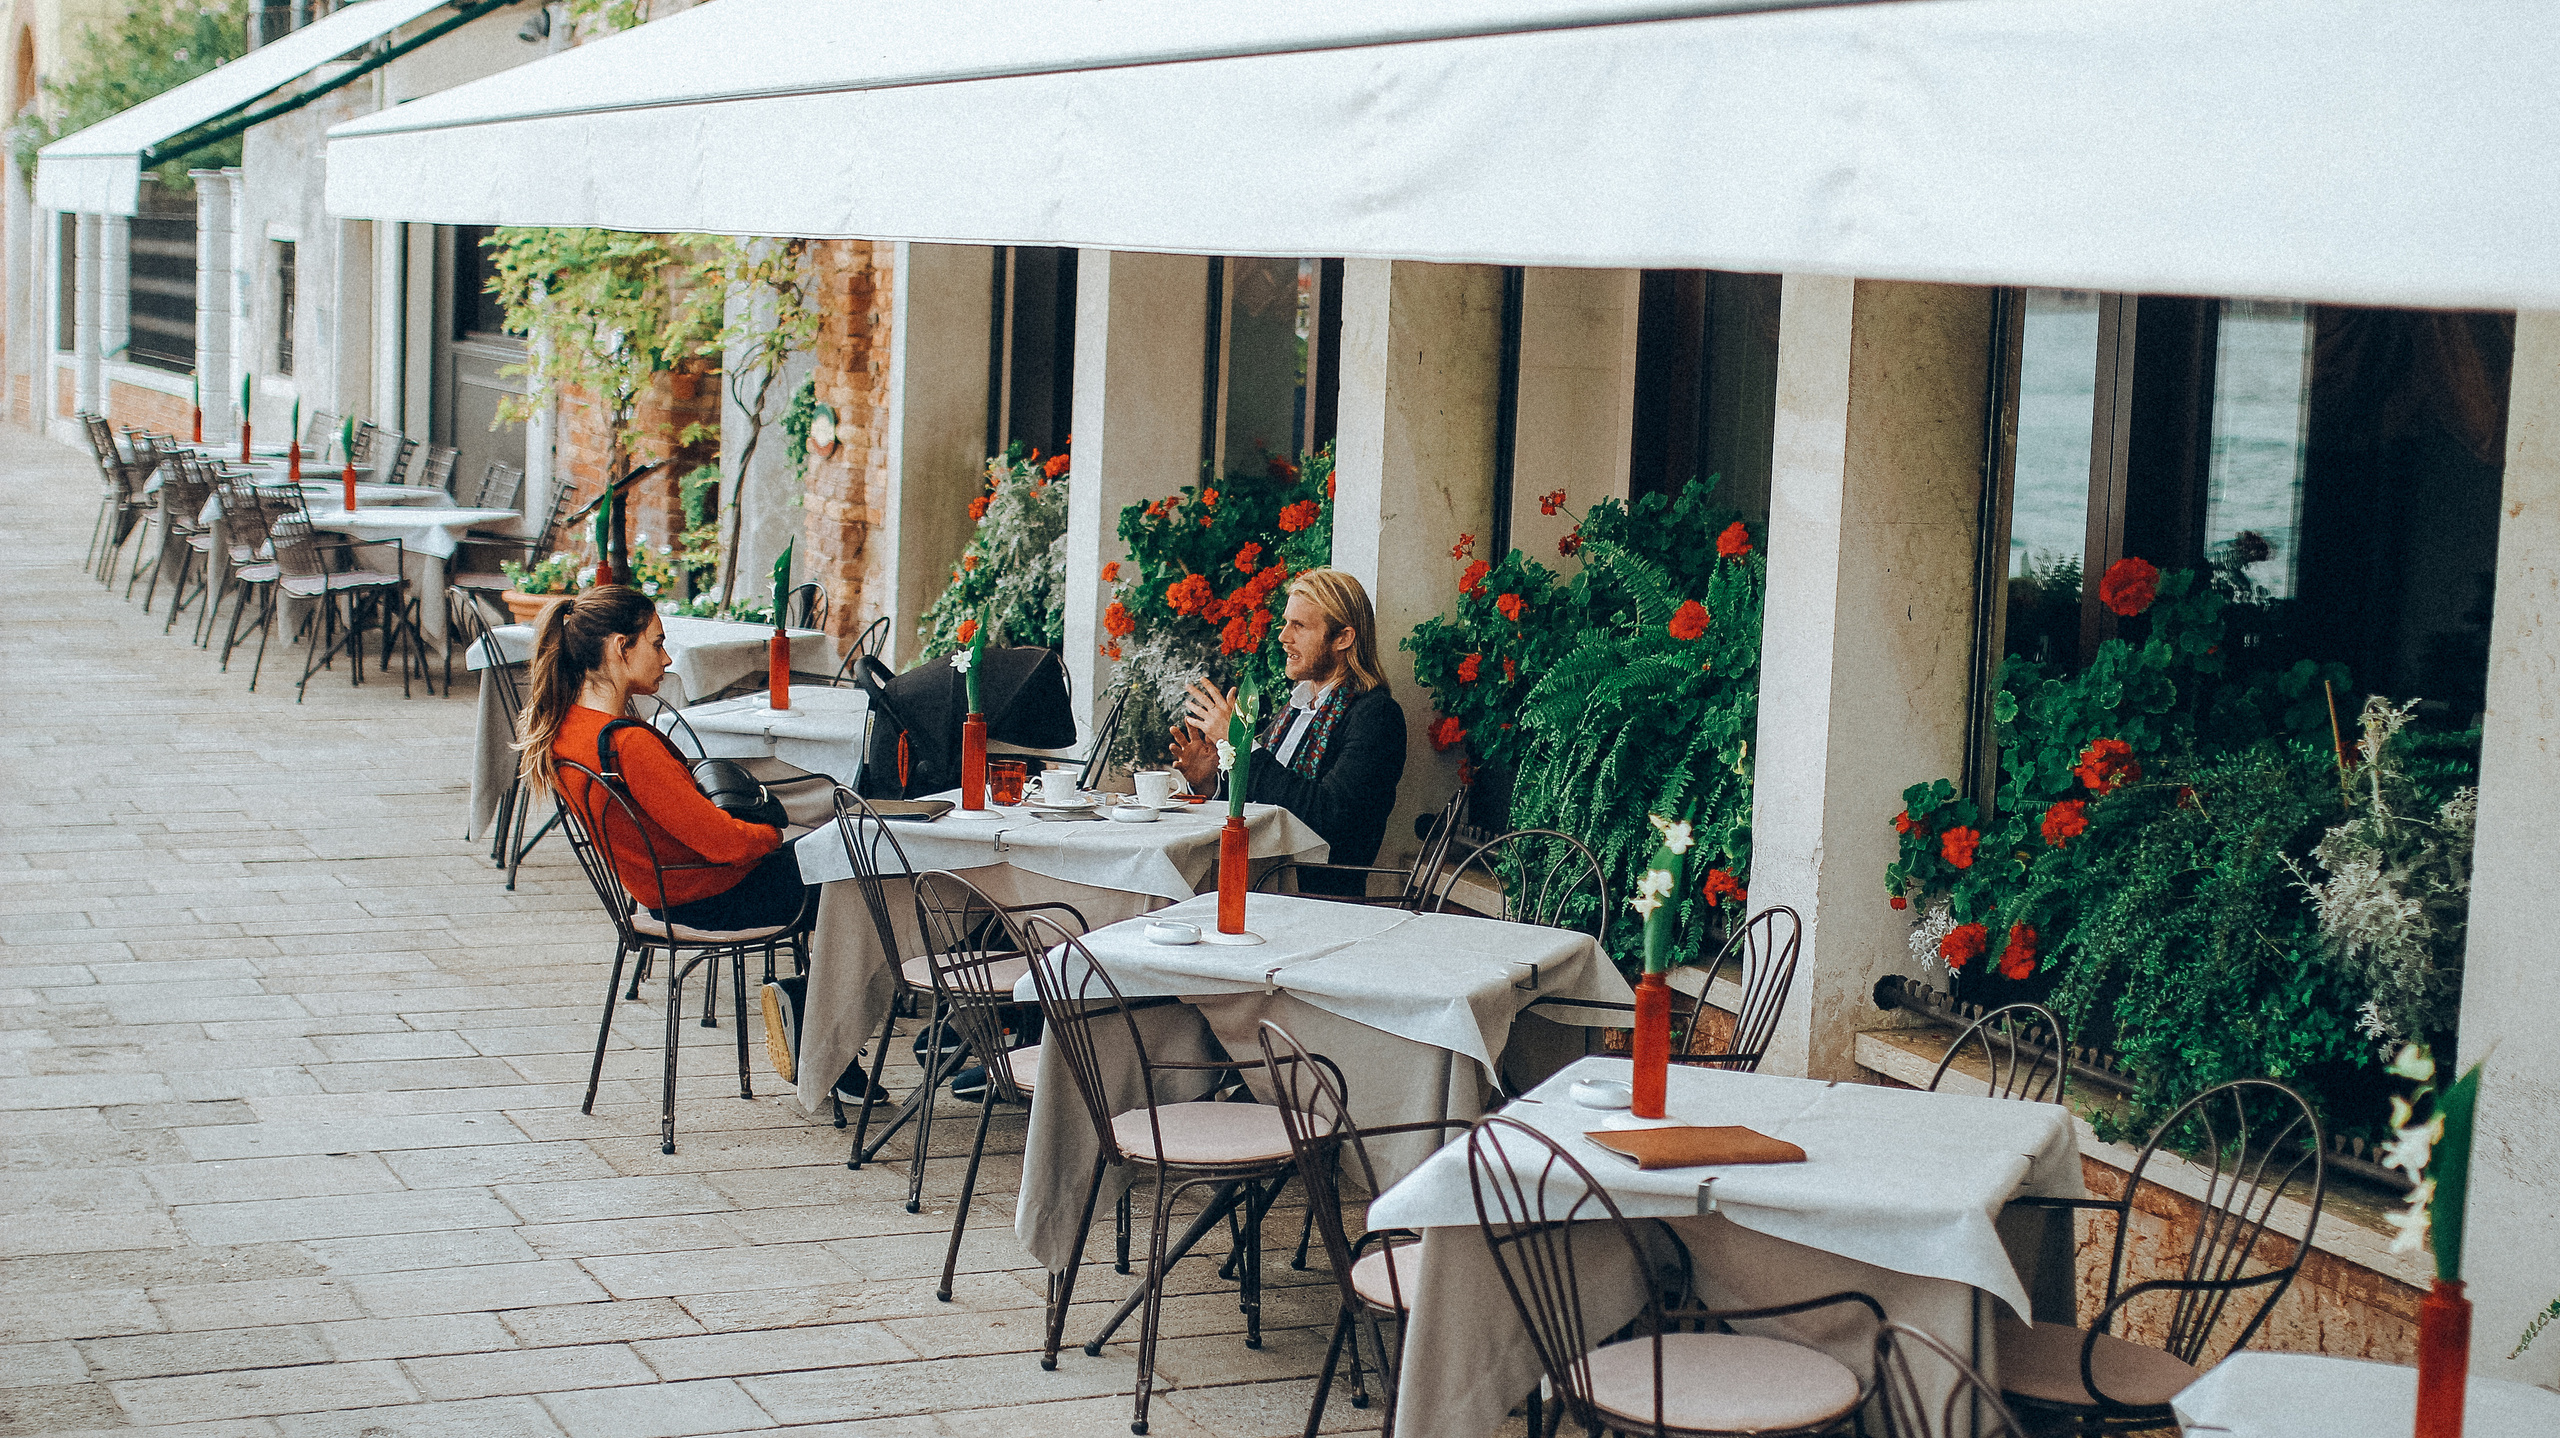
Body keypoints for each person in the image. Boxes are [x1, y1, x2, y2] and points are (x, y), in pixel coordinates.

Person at [515, 588, 876, 1105]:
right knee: (864, 877)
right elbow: (725, 843)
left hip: (660, 890)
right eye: (657, 644)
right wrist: (778, 835)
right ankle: (821, 1024)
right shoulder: (628, 744)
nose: (666, 659)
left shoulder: (565, 730)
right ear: (621, 647)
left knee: (842, 868)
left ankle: (815, 1009)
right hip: (714, 894)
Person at [1167, 568, 1407, 871]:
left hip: (1314, 895)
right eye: (1285, 623)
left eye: (1300, 625)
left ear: (1343, 638)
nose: (1283, 636)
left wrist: (1240, 745)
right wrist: (1208, 783)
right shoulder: (1297, 706)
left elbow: (1329, 816)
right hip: (1259, 878)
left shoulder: (1376, 716)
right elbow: (1264, 801)